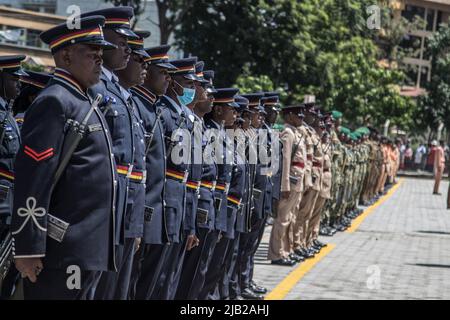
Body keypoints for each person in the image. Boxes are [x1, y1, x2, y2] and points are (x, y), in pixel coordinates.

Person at [11, 15, 118, 300]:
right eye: (91, 54)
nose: (99, 60)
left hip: (86, 248)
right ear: (67, 55)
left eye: (101, 54)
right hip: (63, 250)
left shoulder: (85, 101)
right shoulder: (55, 101)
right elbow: (34, 179)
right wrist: (29, 247)